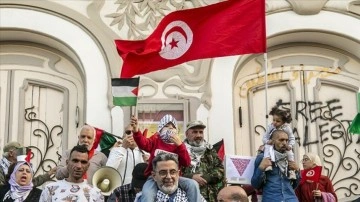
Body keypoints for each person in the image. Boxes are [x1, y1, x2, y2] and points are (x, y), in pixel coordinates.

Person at [130, 114, 202, 202]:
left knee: (193, 184)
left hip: (175, 178)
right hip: (154, 178)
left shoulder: (179, 145)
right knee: (147, 194)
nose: (170, 129)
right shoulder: (156, 140)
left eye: (173, 127)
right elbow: (143, 143)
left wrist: (180, 146)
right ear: (160, 129)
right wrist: (136, 131)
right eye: (166, 126)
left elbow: (186, 162)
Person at [40, 145, 104, 201]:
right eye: (75, 161)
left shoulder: (96, 193)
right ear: (67, 163)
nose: (79, 166)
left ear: (88, 166)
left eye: (83, 162)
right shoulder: (49, 189)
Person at [251, 129, 300, 202]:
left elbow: (294, 185)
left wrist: (297, 171)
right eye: (281, 140)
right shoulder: (263, 157)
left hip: (291, 198)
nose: (284, 143)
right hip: (272, 198)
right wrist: (261, 168)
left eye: (286, 140)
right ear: (272, 141)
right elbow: (255, 185)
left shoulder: (289, 158)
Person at [181, 120, 225, 201]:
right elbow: (175, 173)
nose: (198, 135)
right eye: (194, 132)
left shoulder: (210, 150)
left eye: (201, 132)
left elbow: (220, 169)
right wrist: (192, 177)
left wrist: (206, 178)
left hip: (210, 197)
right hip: (187, 196)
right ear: (187, 134)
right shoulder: (180, 150)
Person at [135, 153, 206, 202]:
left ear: (178, 174)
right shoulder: (144, 197)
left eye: (172, 172)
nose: (169, 177)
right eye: (163, 172)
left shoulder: (194, 195)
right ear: (154, 176)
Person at [262, 106, 296, 179]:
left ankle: (291, 171)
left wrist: (290, 145)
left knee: (290, 153)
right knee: (267, 149)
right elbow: (264, 138)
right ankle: (268, 164)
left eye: (277, 121)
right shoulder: (270, 127)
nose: (274, 122)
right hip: (271, 145)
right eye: (273, 120)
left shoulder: (287, 128)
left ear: (283, 121)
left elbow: (292, 138)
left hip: (283, 147)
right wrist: (268, 142)